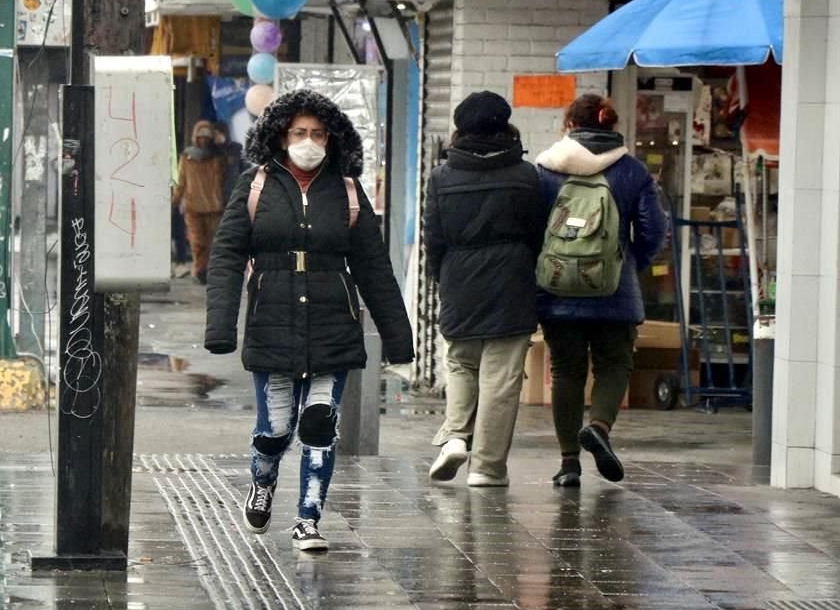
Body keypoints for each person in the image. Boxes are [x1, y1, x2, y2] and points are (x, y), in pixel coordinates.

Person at [204, 89, 413, 551]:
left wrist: (399, 339)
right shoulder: (255, 186)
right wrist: (220, 325)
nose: (309, 141)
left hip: (332, 325)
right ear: (281, 136)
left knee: (320, 425)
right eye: (300, 132)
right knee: (275, 430)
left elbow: (374, 268)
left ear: (332, 139)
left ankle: (308, 519)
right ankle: (263, 479)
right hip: (271, 322)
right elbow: (226, 256)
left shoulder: (348, 192)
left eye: (318, 133)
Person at [535, 94, 666, 487]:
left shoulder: (545, 168)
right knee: (615, 364)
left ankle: (568, 464)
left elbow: (530, 227)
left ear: (569, 125)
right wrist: (628, 264)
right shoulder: (632, 171)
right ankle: (600, 427)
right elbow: (653, 232)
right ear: (611, 125)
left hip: (557, 288)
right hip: (614, 290)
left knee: (566, 371)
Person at [424, 91, 547, 487]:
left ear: (459, 131)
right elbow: (537, 233)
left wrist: (440, 278)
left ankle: (457, 435)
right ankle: (488, 469)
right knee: (502, 378)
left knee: (460, 360)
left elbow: (434, 238)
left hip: (460, 277)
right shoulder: (528, 176)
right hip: (512, 278)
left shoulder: (442, 178)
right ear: (506, 128)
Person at [172, 120, 226, 284]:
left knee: (213, 241)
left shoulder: (217, 157)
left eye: (207, 137)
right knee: (197, 242)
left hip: (213, 206)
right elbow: (181, 182)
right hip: (193, 206)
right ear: (195, 137)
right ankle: (199, 269)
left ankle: (209, 270)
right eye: (200, 137)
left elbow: (223, 179)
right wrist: (175, 201)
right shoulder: (187, 157)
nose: (203, 140)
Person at [213, 121, 245, 202]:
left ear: (224, 133)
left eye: (217, 133)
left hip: (234, 194)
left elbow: (245, 168)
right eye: (214, 134)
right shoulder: (212, 152)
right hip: (216, 197)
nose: (215, 137)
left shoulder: (236, 148)